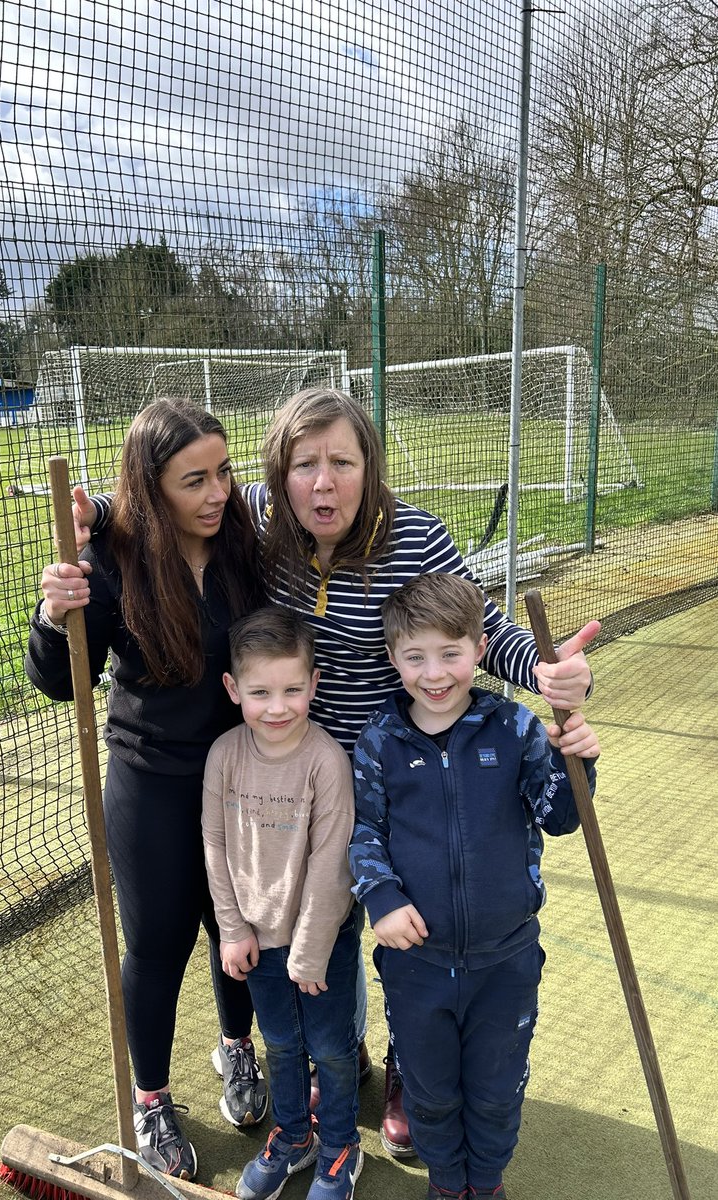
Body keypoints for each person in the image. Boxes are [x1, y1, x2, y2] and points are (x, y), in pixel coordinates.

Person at [67, 386, 599, 1156]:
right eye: (305, 465)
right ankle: (337, 1055)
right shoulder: (261, 522)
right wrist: (100, 517)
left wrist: (546, 671)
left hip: (395, 772)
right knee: (319, 926)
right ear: (279, 475)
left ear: (369, 467)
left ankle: (411, 1063)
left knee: (410, 924)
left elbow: (480, 625)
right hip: (294, 776)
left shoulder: (414, 537)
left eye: (342, 463)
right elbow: (163, 500)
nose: (324, 483)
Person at [25, 398, 268, 1181]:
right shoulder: (108, 564)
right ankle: (152, 1098)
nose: (217, 492)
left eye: (223, 471)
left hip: (238, 777)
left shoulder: (245, 543)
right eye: (194, 480)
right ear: (151, 487)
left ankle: (237, 1048)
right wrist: (51, 614)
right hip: (150, 781)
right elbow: (59, 681)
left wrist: (101, 504)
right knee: (159, 943)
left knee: (236, 930)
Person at [349, 572, 599, 1200]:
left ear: (480, 648)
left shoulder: (514, 728)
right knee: (429, 1092)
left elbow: (560, 816)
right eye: (414, 657)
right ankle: (446, 1185)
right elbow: (364, 830)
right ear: (392, 657)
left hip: (505, 959)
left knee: (496, 1090)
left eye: (450, 653)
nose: (434, 674)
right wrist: (381, 897)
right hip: (416, 963)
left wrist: (576, 760)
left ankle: (484, 1184)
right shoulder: (379, 740)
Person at [202, 606, 363, 1200]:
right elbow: (214, 844)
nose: (278, 707)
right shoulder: (224, 755)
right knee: (281, 1044)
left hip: (322, 942)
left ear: (314, 684)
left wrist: (313, 947)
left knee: (331, 1049)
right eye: (260, 692)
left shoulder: (326, 760)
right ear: (233, 688)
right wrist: (231, 927)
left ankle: (340, 1144)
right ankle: (294, 1136)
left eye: (293, 690)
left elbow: (332, 859)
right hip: (256, 938)